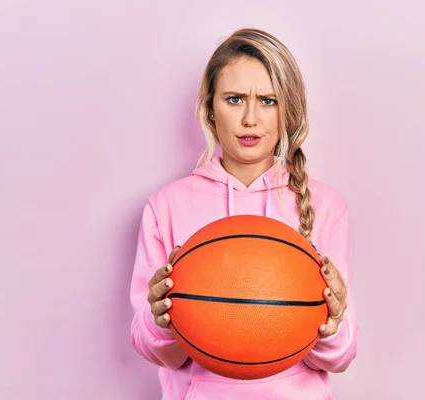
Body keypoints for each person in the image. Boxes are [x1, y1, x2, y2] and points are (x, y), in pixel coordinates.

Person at [129, 28, 358, 400]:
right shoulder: (166, 206)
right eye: (234, 99)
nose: (250, 118)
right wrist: (162, 321)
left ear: (289, 109)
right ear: (209, 107)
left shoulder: (326, 205)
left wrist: (330, 323)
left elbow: (341, 355)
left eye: (268, 101)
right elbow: (152, 349)